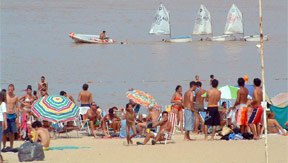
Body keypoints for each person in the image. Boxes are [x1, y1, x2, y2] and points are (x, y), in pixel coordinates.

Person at [2, 84, 19, 151]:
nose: (10, 91)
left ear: (13, 90)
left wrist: (17, 117)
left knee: (12, 132)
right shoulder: (5, 97)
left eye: (11, 90)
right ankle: (4, 146)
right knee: (5, 132)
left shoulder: (15, 97)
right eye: (9, 90)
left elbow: (17, 107)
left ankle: (11, 146)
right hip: (7, 115)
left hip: (13, 115)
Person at [0, 91, 8, 159]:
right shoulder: (3, 104)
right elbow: (4, 115)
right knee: (0, 138)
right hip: (1, 121)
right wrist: (6, 123)